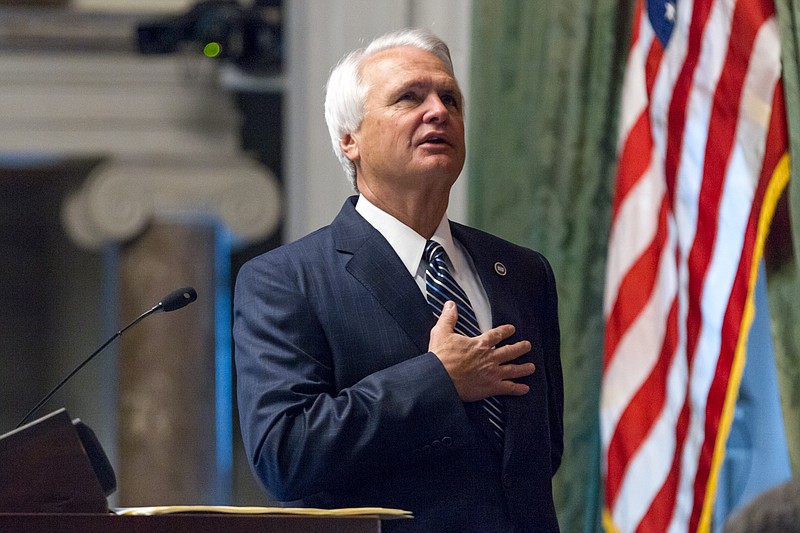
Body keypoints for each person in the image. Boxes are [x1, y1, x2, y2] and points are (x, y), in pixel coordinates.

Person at [234, 28, 563, 532]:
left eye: (449, 98)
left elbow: (540, 452)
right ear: (350, 140)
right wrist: (437, 382)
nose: (438, 111)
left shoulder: (522, 272)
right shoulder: (286, 281)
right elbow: (284, 454)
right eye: (410, 97)